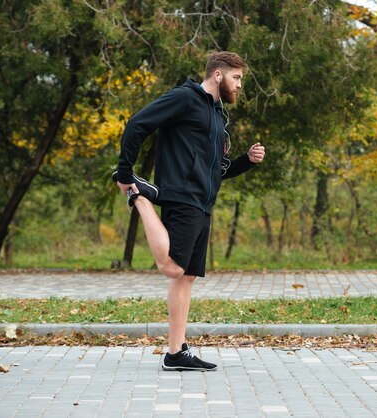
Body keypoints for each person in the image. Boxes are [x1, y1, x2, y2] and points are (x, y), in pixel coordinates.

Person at [112, 51, 265, 371]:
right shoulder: (185, 98)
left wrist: (246, 163)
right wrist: (125, 174)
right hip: (182, 197)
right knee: (170, 267)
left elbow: (218, 170)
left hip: (203, 202)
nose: (239, 86)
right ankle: (140, 197)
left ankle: (176, 352)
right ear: (219, 75)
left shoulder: (216, 116)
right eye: (236, 78)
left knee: (186, 276)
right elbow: (138, 123)